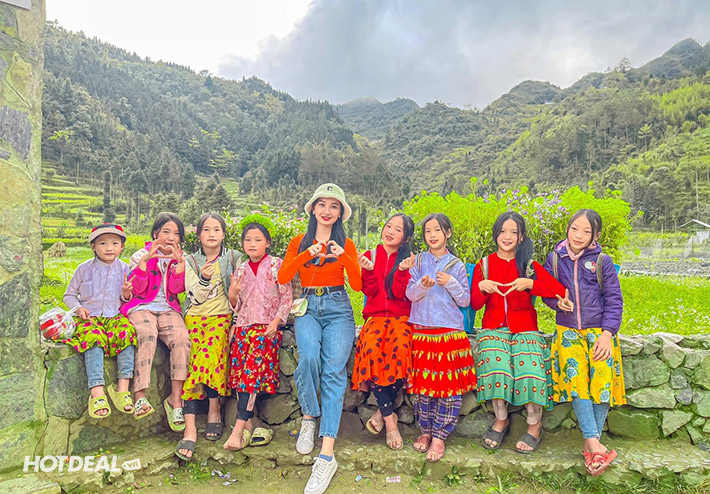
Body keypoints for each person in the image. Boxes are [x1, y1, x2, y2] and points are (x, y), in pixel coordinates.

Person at [277, 183, 361, 494]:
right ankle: (309, 416)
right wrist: (306, 254)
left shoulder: (346, 244)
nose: (327, 210)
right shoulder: (298, 242)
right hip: (308, 306)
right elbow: (284, 276)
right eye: (322, 204)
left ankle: (326, 455)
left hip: (339, 307)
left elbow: (358, 284)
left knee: (334, 371)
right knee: (309, 358)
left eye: (334, 206)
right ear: (313, 209)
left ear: (340, 214)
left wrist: (344, 257)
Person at [471, 211, 566, 453]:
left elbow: (558, 290)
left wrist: (531, 284)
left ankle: (534, 425)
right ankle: (501, 419)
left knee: (530, 369)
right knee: (496, 365)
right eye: (503, 231)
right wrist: (482, 287)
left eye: (513, 232)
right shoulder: (484, 265)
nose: (507, 236)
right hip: (493, 328)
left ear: (521, 237)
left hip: (525, 329)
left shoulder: (529, 266)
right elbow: (475, 304)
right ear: (496, 234)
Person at [542, 209, 625, 475]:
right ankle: (594, 446)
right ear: (567, 229)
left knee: (602, 380)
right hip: (567, 331)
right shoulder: (555, 259)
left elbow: (614, 300)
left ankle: (591, 445)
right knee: (577, 380)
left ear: (595, 235)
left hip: (599, 332)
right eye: (574, 228)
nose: (578, 235)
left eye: (586, 231)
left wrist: (607, 334)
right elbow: (546, 292)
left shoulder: (602, 261)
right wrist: (558, 303)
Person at [404, 213, 477, 462]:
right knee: (422, 388)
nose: (432, 235)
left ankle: (440, 437)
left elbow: (465, 300)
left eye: (437, 230)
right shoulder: (417, 261)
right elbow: (410, 294)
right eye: (428, 231)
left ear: (447, 233)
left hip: (448, 333)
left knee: (448, 389)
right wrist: (423, 286)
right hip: (422, 332)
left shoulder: (456, 265)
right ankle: (425, 432)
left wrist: (451, 283)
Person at [175, 213, 242, 460]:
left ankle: (210, 410)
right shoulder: (190, 261)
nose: (212, 234)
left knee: (210, 353)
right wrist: (203, 278)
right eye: (206, 229)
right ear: (199, 234)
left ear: (224, 234)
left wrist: (235, 321)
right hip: (194, 318)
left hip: (221, 318)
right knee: (192, 359)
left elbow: (241, 295)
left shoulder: (234, 258)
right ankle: (193, 425)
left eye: (216, 229)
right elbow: (194, 297)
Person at [223, 222, 292, 451]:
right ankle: (249, 424)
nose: (252, 244)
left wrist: (276, 321)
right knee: (240, 373)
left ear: (268, 243)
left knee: (250, 372)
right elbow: (237, 305)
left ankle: (237, 429)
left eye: (258, 239)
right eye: (248, 240)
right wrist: (233, 296)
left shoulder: (276, 265)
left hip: (266, 328)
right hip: (244, 327)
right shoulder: (241, 269)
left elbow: (286, 297)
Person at [352, 213, 415, 450]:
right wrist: (368, 270)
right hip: (376, 317)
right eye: (388, 226)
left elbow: (399, 294)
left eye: (398, 229)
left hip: (401, 317)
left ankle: (382, 413)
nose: (390, 231)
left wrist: (402, 271)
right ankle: (390, 421)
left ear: (405, 237)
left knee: (400, 348)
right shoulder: (371, 255)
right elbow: (369, 291)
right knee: (371, 349)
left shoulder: (408, 259)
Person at [122, 212, 191, 427]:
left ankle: (175, 399)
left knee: (182, 338)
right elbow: (138, 290)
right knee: (147, 333)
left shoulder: (181, 258)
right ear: (155, 234)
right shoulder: (140, 255)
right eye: (166, 232)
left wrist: (179, 265)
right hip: (141, 306)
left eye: (176, 234)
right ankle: (140, 395)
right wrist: (145, 262)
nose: (171, 237)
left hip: (168, 308)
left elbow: (176, 289)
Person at [63, 224, 136, 418]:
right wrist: (79, 308)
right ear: (93, 246)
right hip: (90, 317)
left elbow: (128, 299)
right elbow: (69, 295)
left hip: (114, 316)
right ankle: (97, 392)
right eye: (103, 243)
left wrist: (126, 294)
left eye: (115, 243)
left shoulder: (125, 269)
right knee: (93, 337)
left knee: (127, 333)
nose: (109, 248)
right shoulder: (84, 269)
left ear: (122, 247)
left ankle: (122, 388)